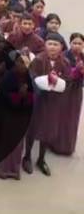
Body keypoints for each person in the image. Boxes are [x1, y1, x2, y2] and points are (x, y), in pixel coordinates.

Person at [24, 33, 71, 176]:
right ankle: (27, 157)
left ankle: (41, 159)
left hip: (53, 101)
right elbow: (31, 76)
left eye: (56, 44)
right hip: (38, 100)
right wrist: (42, 85)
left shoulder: (65, 63)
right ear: (45, 45)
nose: (52, 47)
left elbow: (67, 80)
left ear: (61, 47)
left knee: (47, 128)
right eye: (50, 44)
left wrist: (58, 83)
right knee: (33, 127)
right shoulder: (38, 60)